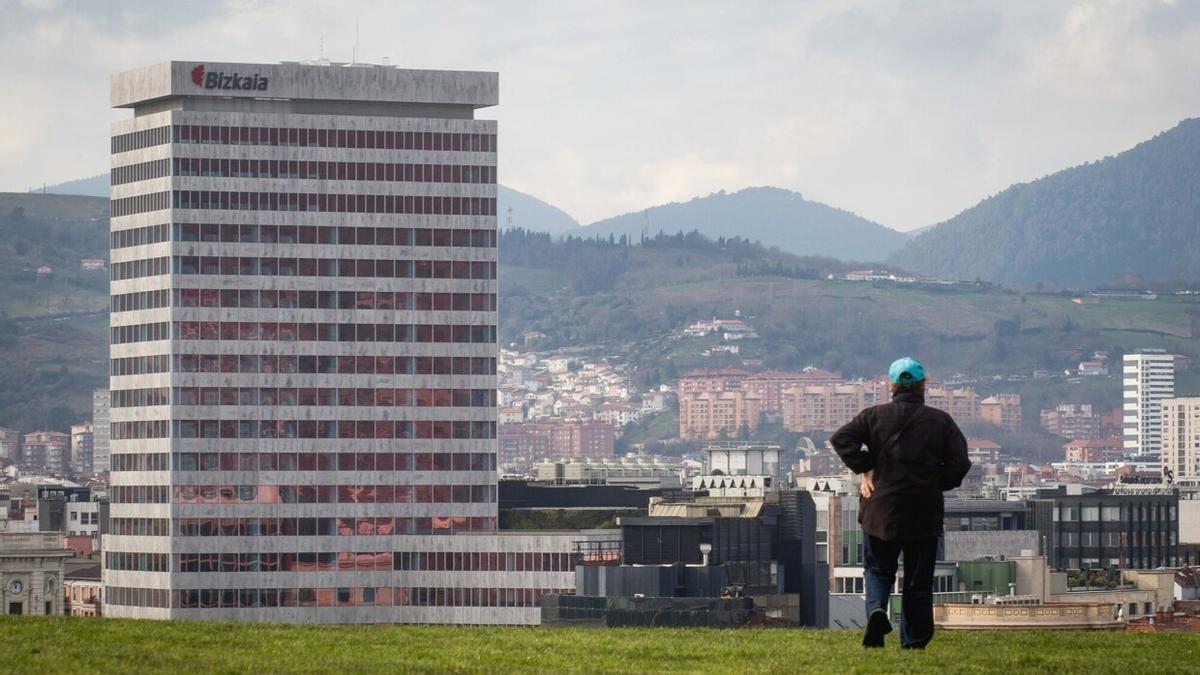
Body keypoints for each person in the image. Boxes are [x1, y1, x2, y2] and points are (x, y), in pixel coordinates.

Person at [829, 357, 970, 649]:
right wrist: (934, 482)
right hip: (923, 511)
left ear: (891, 385)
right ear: (923, 384)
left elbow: (841, 439)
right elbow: (959, 464)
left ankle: (877, 610)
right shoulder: (940, 421)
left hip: (881, 509)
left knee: (878, 570)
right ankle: (914, 640)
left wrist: (867, 467)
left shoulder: (873, 416)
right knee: (918, 580)